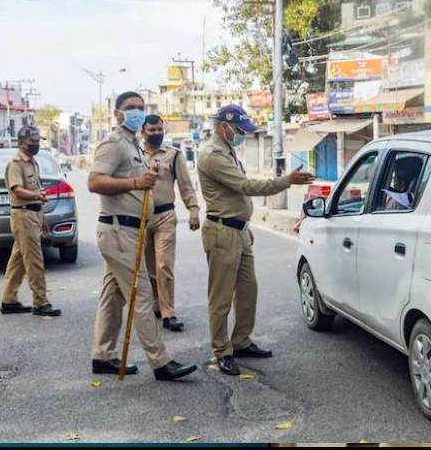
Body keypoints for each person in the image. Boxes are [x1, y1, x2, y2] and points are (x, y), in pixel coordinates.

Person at [198, 104, 315, 376]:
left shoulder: (227, 150)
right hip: (222, 231)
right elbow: (246, 186)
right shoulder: (212, 155)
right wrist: (286, 181)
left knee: (248, 290)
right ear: (224, 126)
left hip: (240, 231)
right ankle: (222, 350)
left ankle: (241, 341)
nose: (241, 136)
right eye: (239, 131)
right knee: (221, 297)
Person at [87, 91, 197, 381]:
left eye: (140, 108)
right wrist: (136, 181)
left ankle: (102, 355)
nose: (136, 112)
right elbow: (94, 181)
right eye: (130, 108)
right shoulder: (113, 143)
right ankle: (161, 362)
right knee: (143, 294)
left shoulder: (132, 144)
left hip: (129, 230)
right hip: (118, 229)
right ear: (117, 113)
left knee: (113, 297)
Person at [141, 115, 200, 332]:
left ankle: (168, 312)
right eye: (152, 129)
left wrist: (193, 210)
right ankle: (156, 305)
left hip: (166, 216)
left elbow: (185, 185)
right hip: (141, 219)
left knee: (164, 265)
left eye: (159, 129)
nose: (156, 132)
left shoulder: (173, 155)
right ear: (143, 132)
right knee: (149, 269)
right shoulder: (135, 156)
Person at [0, 126, 62, 317]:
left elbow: (36, 193)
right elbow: (17, 190)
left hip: (33, 214)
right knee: (34, 260)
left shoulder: (33, 162)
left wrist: (41, 217)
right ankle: (40, 302)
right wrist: (36, 196)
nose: (36, 145)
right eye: (32, 142)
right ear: (21, 143)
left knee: (18, 260)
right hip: (23, 215)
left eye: (37, 141)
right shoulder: (16, 164)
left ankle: (9, 300)